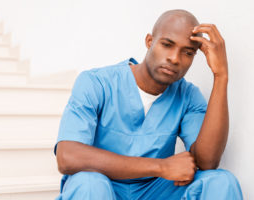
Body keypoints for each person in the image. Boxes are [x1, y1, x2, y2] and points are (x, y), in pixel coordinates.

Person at [54, 9, 243, 199]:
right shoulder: (96, 83)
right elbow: (67, 156)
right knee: (89, 184)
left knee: (221, 181)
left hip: (155, 191)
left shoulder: (188, 96)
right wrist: (161, 167)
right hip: (103, 186)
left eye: (188, 52)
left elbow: (207, 162)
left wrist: (221, 76)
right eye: (167, 45)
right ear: (149, 41)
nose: (174, 58)